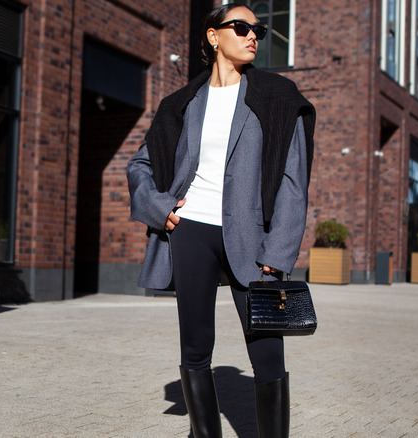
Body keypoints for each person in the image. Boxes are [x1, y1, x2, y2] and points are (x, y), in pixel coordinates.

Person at [127, 3, 315, 437]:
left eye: (259, 30)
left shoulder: (277, 96)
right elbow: (141, 165)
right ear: (214, 36)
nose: (253, 36)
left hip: (254, 240)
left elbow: (293, 181)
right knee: (195, 347)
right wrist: (161, 209)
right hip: (191, 232)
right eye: (242, 27)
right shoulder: (182, 103)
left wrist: (280, 249)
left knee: (268, 353)